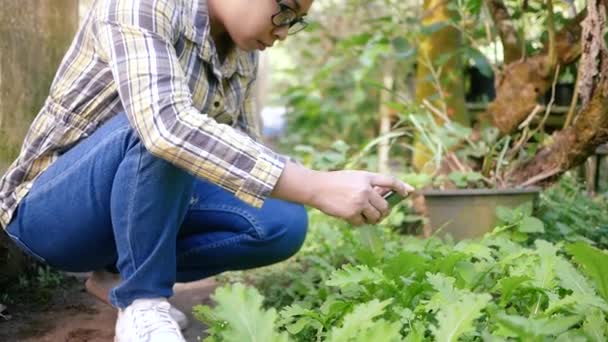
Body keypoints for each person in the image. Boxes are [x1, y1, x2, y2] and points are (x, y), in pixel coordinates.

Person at [0, 0, 413, 341]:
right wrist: (314, 185)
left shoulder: (242, 53)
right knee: (162, 125)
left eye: (296, 21)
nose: (284, 30)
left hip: (134, 202)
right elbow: (165, 128)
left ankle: (117, 279)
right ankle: (142, 302)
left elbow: (242, 154)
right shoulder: (141, 6)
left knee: (281, 222)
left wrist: (331, 186)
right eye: (284, 10)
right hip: (50, 214)